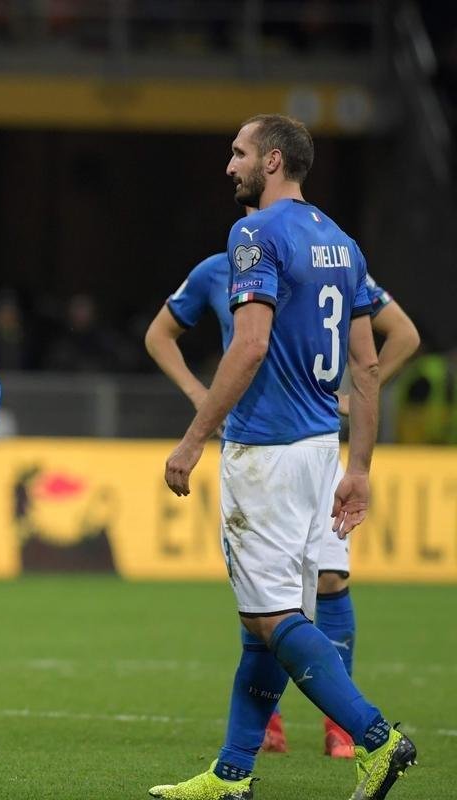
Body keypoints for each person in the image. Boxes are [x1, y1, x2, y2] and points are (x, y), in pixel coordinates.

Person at [150, 114, 417, 800]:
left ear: (272, 161)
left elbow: (249, 345)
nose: (228, 165)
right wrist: (357, 468)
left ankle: (377, 737)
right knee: (262, 626)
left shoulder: (254, 233)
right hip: (318, 450)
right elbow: (365, 368)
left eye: (238, 152)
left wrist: (193, 436)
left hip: (266, 452)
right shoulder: (341, 242)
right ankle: (233, 773)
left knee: (271, 618)